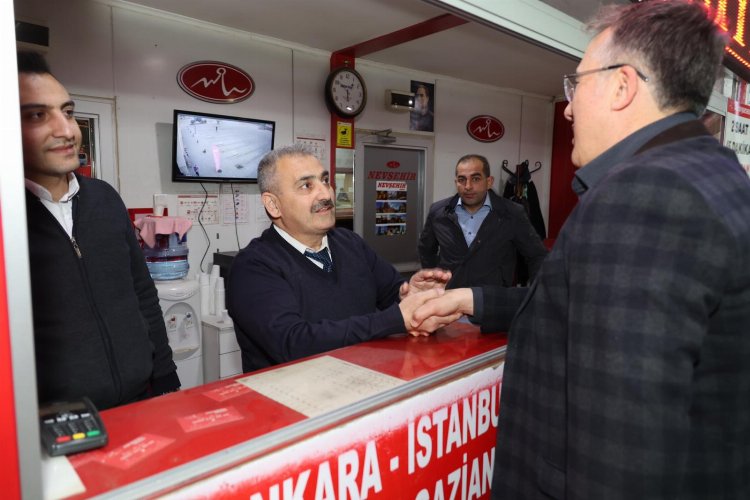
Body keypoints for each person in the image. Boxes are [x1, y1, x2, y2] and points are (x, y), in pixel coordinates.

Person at [412, 2, 750, 498]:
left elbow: (619, 451)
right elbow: (584, 305)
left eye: (576, 83)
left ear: (622, 85)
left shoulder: (644, 198)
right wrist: (469, 300)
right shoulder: (713, 173)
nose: (568, 106)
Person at [18, 51, 180, 410]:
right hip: (57, 421)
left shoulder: (104, 198)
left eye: (69, 112)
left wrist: (165, 374)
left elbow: (142, 294)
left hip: (140, 400)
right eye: (37, 115)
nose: (66, 130)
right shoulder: (9, 220)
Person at [228, 144, 450, 373]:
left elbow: (392, 294)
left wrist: (411, 295)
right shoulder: (253, 267)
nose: (326, 194)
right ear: (273, 204)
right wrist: (394, 318)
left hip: (364, 388)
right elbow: (294, 343)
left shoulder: (350, 243)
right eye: (306, 186)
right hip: (293, 403)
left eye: (325, 180)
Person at [418, 154, 547, 288]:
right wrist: (435, 280)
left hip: (493, 301)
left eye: (476, 179)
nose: (468, 186)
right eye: (462, 179)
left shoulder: (512, 213)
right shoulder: (438, 212)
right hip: (450, 299)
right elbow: (426, 250)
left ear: (489, 182)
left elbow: (537, 255)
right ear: (456, 182)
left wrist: (535, 294)